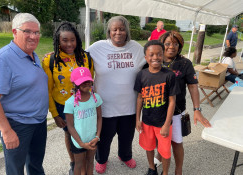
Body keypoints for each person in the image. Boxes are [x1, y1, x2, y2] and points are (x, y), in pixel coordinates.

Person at [86, 16, 146, 174]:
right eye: (115, 29)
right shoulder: (97, 47)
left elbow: (153, 59)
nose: (118, 32)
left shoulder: (137, 48)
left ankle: (125, 156)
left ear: (127, 30)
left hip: (129, 105)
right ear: (109, 31)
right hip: (105, 106)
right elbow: (77, 57)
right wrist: (55, 53)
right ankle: (101, 159)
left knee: (127, 136)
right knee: (104, 138)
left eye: (122, 29)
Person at [0, 13, 48, 175]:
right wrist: (7, 131)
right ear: (14, 32)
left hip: (38, 121)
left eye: (37, 32)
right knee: (16, 169)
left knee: (36, 165)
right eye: (27, 32)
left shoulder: (32, 54)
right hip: (17, 124)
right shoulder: (3, 59)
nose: (33, 36)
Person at [154, 31, 212, 175]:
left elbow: (192, 86)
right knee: (158, 139)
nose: (171, 47)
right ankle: (159, 156)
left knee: (176, 142)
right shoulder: (154, 59)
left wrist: (197, 109)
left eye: (175, 44)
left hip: (176, 111)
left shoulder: (185, 63)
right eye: (167, 43)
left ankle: (178, 169)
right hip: (156, 111)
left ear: (180, 46)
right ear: (162, 44)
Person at [42, 21, 94, 174]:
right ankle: (74, 162)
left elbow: (90, 82)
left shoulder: (86, 58)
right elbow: (48, 90)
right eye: (64, 40)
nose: (69, 44)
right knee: (69, 133)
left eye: (72, 40)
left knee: (86, 132)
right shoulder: (50, 60)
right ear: (58, 41)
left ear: (77, 40)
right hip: (63, 107)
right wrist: (55, 114)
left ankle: (85, 160)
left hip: (84, 105)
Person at [135, 40, 178, 175]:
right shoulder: (141, 75)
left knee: (165, 151)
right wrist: (138, 119)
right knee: (149, 147)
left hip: (162, 123)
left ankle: (165, 172)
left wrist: (166, 124)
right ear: (146, 58)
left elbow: (172, 101)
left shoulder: (169, 75)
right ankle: (152, 168)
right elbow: (140, 98)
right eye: (151, 55)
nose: (155, 58)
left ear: (163, 55)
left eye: (159, 54)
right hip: (147, 121)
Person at [64, 67, 102, 175]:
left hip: (93, 139)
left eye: (88, 81)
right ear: (75, 84)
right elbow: (70, 126)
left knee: (90, 162)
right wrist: (81, 143)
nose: (86, 84)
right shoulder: (70, 103)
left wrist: (97, 136)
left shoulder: (96, 98)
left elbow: (99, 118)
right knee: (79, 164)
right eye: (82, 82)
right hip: (78, 141)